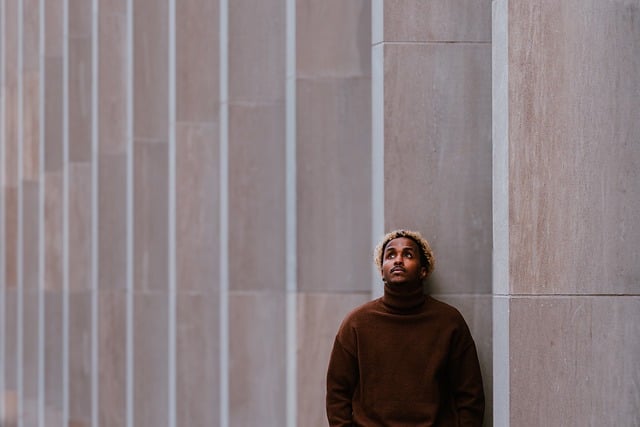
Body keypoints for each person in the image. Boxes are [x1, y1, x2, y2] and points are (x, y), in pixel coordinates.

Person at [326, 229, 485, 426]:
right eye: (391, 255)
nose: (398, 260)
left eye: (408, 255)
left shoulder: (449, 322)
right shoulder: (356, 323)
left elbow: (470, 395)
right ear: (382, 270)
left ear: (423, 270)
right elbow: (337, 393)